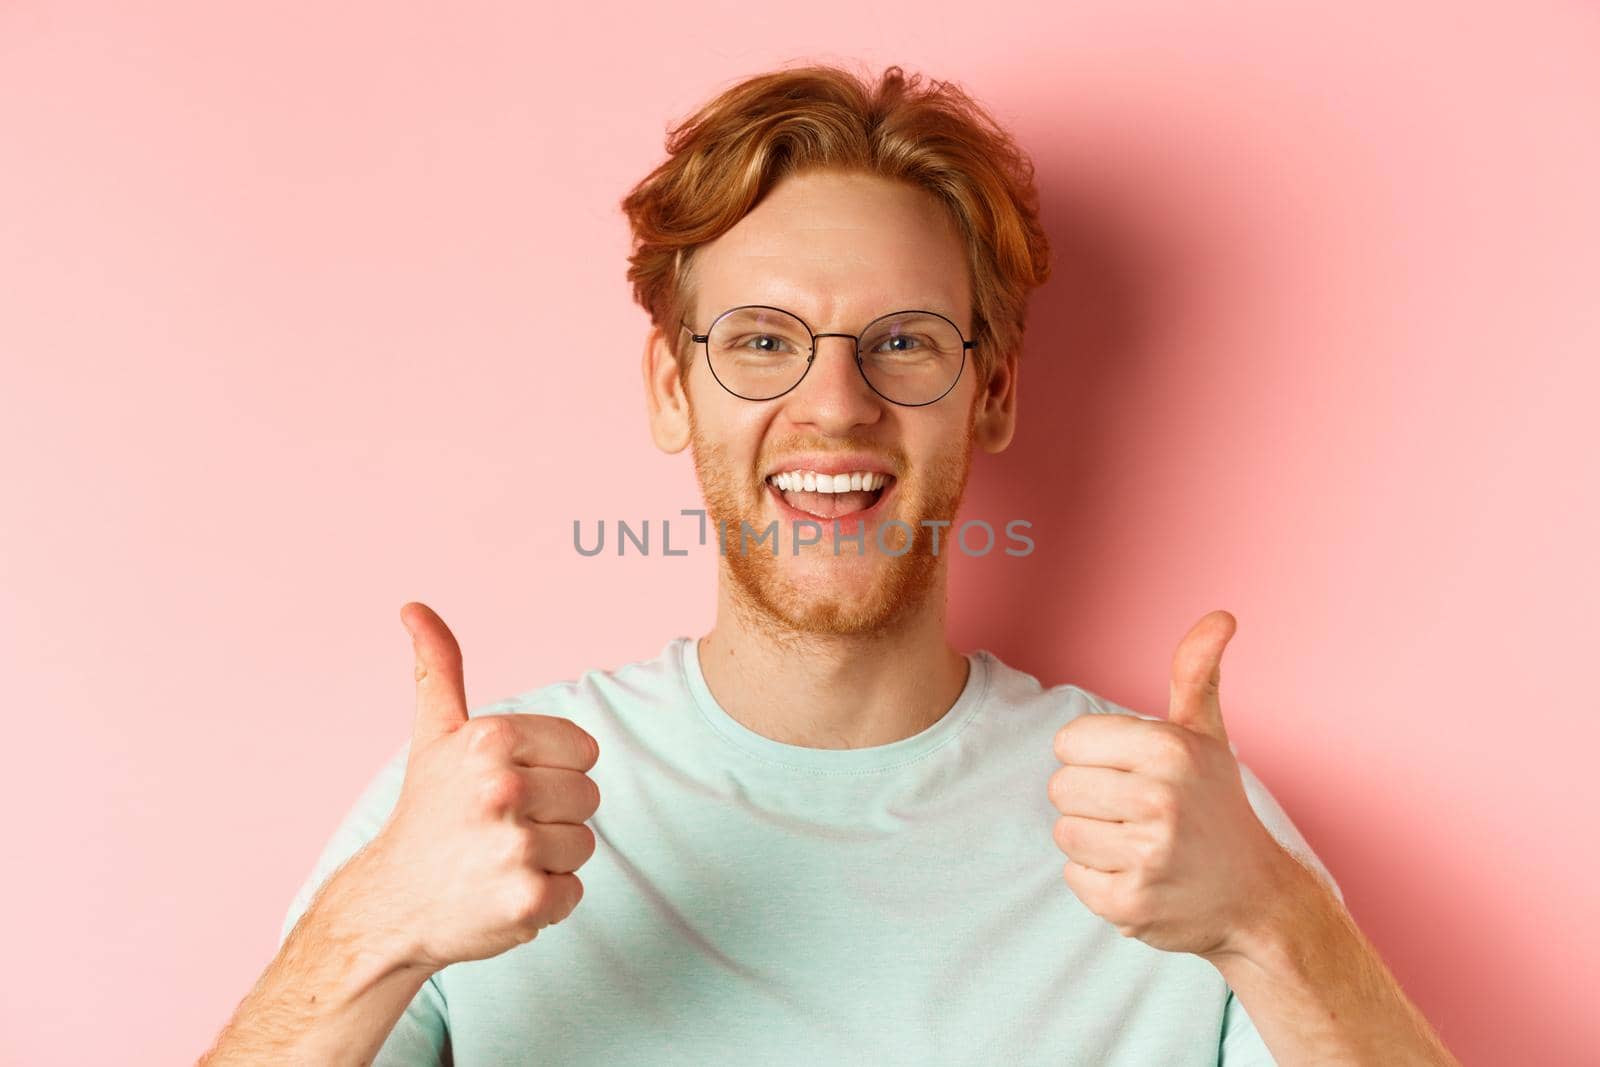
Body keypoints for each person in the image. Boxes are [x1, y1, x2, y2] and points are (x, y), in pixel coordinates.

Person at [199, 64, 1457, 1066]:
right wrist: (375, 932)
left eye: (903, 341)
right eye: (760, 340)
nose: (836, 405)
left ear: (994, 392)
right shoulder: (467, 811)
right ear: (672, 387)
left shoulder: (1184, 828)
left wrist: (1273, 923)